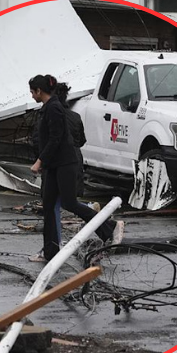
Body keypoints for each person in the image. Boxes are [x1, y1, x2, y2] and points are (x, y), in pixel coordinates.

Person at [28, 73, 121, 262]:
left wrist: (39, 161)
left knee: (70, 203)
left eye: (32, 92)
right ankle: (51, 252)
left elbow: (55, 139)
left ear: (39, 91)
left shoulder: (54, 109)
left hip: (65, 164)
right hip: (54, 166)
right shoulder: (48, 108)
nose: (31, 96)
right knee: (48, 205)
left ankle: (108, 226)